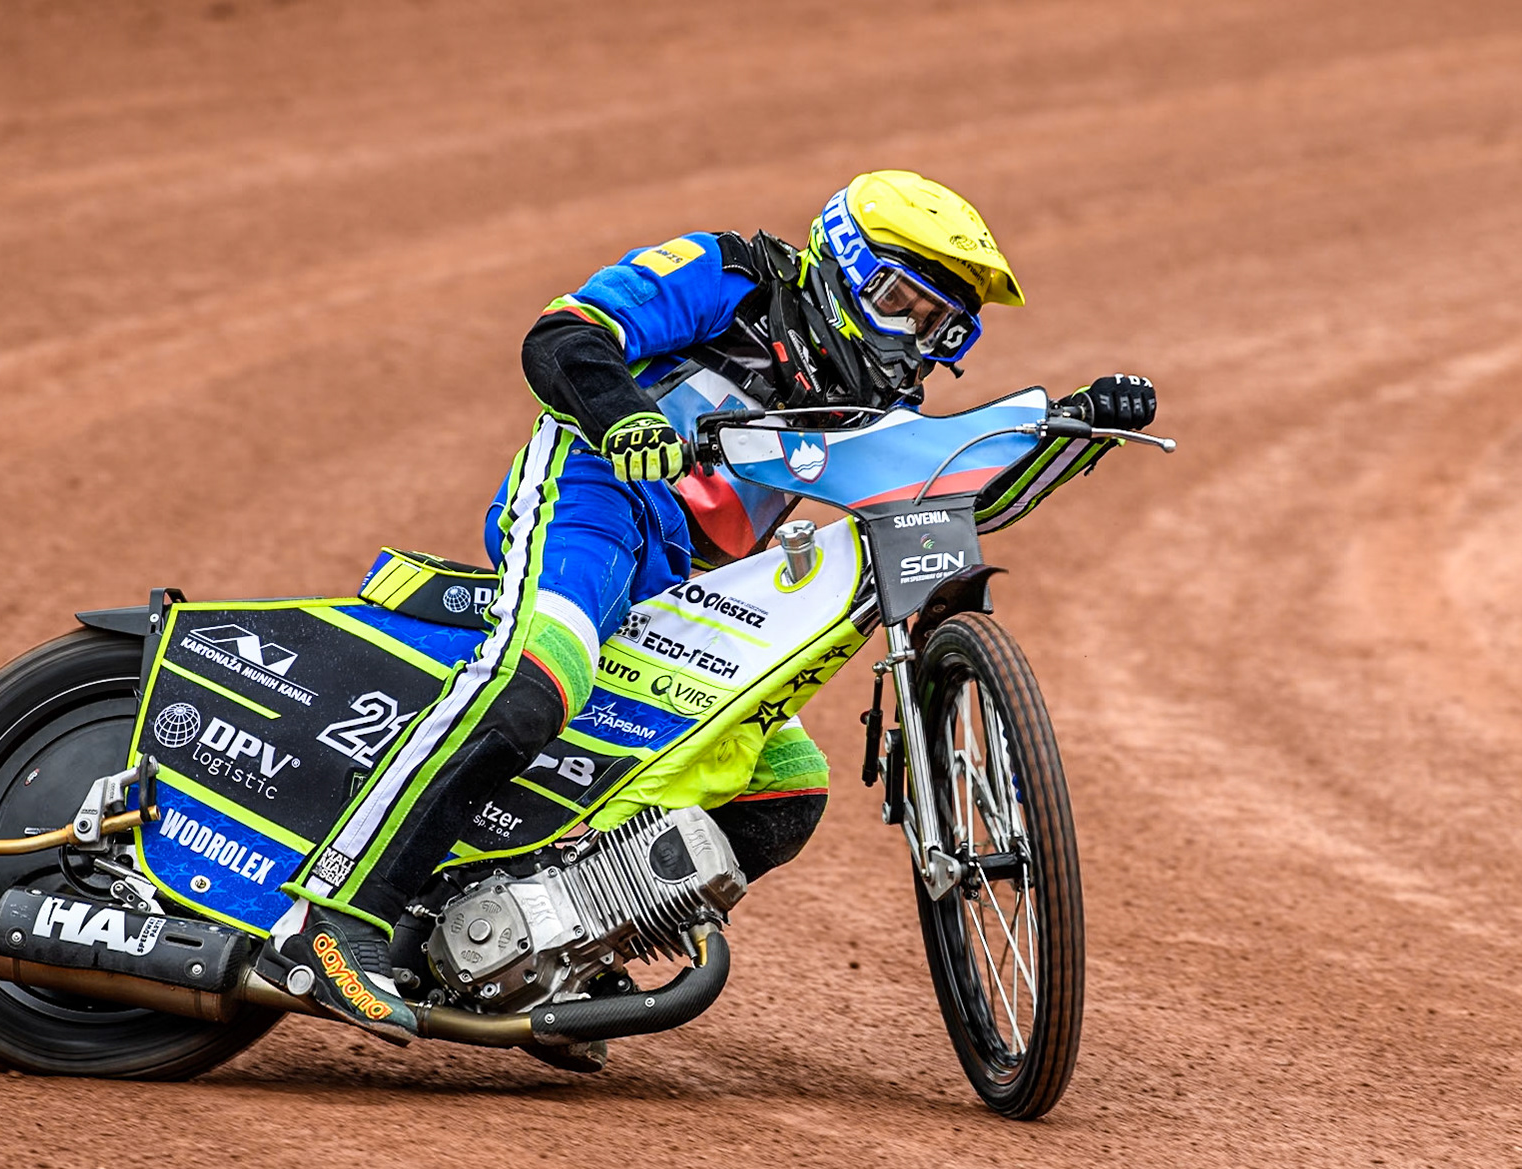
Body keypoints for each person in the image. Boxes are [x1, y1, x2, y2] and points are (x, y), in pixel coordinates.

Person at [260, 170, 1156, 1046]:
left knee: (786, 787)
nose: (914, 340)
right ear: (842, 261)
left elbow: (950, 483)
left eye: (942, 326)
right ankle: (333, 917)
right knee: (542, 679)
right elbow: (564, 335)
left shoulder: (886, 396)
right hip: (594, 491)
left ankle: (557, 947)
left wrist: (1075, 422)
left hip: (693, 574)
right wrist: (625, 418)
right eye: (900, 301)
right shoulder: (732, 273)